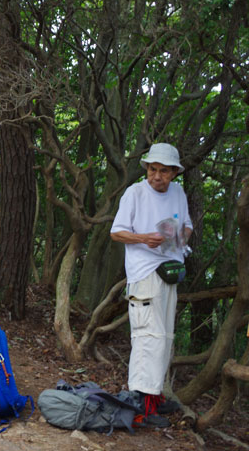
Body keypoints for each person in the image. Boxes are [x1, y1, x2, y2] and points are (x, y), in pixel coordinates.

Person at [110, 143, 192, 428]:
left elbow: (188, 226)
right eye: (153, 169)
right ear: (147, 169)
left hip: (170, 269)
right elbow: (117, 232)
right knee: (147, 336)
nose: (158, 176)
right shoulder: (135, 193)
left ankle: (154, 396)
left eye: (165, 171)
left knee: (165, 336)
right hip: (144, 273)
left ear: (174, 173)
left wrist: (177, 238)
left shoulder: (178, 193)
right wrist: (145, 238)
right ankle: (140, 405)